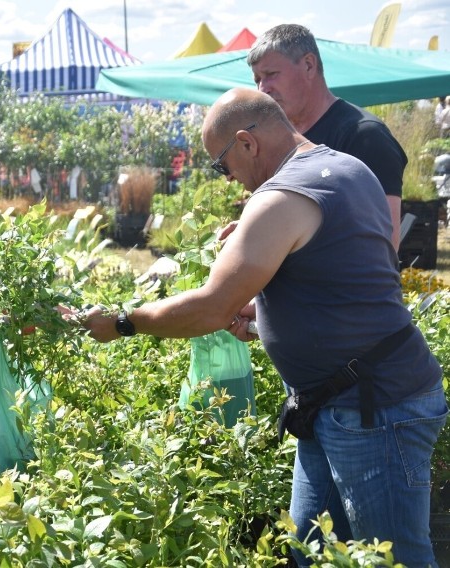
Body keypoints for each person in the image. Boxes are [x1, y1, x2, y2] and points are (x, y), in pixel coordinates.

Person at [82, 88, 446, 567]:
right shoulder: (348, 169)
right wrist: (269, 316)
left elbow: (212, 307)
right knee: (308, 552)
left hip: (373, 409)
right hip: (334, 403)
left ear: (246, 143)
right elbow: (346, 278)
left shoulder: (281, 198)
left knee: (394, 559)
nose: (228, 178)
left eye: (221, 164)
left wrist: (125, 322)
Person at [247, 24, 407, 250]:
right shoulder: (283, 140)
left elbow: (384, 245)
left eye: (271, 75)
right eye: (257, 79)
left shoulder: (365, 136)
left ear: (309, 65)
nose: (263, 88)